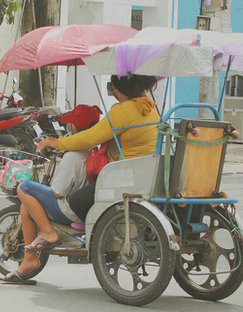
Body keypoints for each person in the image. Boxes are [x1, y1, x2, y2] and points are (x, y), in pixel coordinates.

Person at [37, 74, 160, 239]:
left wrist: (56, 142)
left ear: (116, 89)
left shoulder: (123, 110)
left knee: (76, 201)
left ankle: (92, 233)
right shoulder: (150, 107)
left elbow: (89, 138)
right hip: (146, 173)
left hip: (125, 177)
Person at [2, 104, 102, 284]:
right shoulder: (94, 151)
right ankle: (30, 260)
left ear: (71, 127)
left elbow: (57, 193)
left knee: (24, 187)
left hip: (68, 210)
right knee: (26, 207)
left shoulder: (73, 156)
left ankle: (48, 233)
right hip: (84, 208)